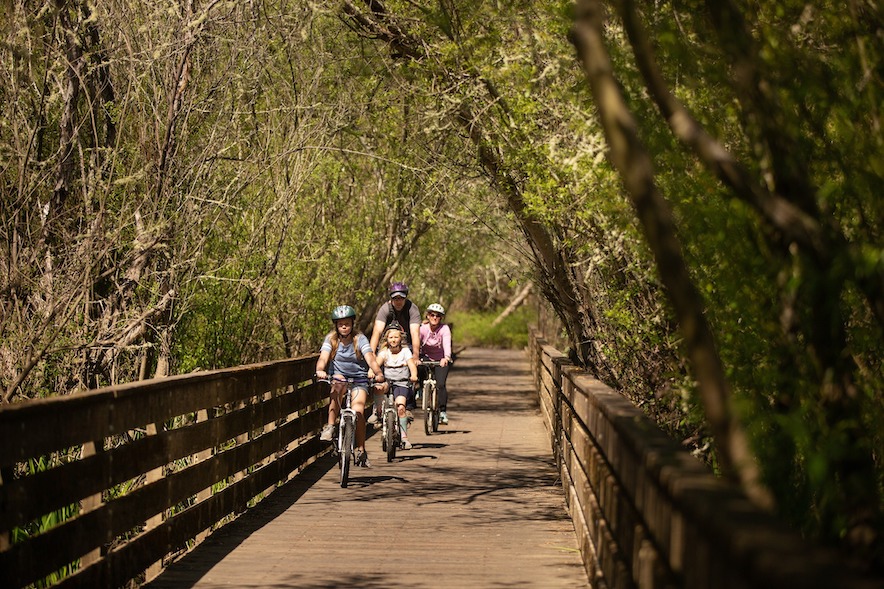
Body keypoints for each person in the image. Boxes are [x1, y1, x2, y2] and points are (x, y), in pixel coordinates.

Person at [315, 305, 385, 467]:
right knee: (337, 387)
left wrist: (377, 372)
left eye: (347, 323)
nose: (344, 326)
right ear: (336, 326)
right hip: (339, 376)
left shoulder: (359, 339)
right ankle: (331, 426)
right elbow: (323, 358)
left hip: (359, 379)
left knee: (359, 411)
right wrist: (320, 369)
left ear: (353, 323)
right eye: (340, 324)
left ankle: (361, 450)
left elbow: (370, 358)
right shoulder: (331, 339)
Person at [367, 282, 421, 424]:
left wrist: (415, 355)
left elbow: (415, 332)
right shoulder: (385, 309)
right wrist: (371, 356)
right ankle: (377, 409)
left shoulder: (412, 309)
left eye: (401, 298)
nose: (398, 302)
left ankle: (408, 406)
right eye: (395, 298)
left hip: (405, 343)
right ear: (391, 298)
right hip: (387, 342)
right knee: (380, 374)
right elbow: (377, 332)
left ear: (405, 298)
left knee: (409, 371)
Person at [375, 323, 419, 449]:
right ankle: (377, 412)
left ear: (401, 338)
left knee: (401, 408)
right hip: (388, 382)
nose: (393, 340)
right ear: (386, 339)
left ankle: (404, 438)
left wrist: (414, 375)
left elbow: (411, 365)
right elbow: (377, 364)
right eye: (391, 337)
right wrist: (373, 371)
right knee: (378, 388)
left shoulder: (405, 351)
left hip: (402, 382)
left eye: (396, 337)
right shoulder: (384, 352)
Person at [419, 303, 453, 424]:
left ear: (441, 318)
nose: (434, 318)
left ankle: (442, 412)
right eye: (432, 315)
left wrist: (446, 357)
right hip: (425, 357)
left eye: (437, 316)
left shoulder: (444, 329)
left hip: (440, 359)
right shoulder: (422, 328)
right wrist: (415, 357)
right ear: (428, 316)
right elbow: (416, 343)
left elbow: (447, 344)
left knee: (441, 384)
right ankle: (419, 390)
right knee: (417, 369)